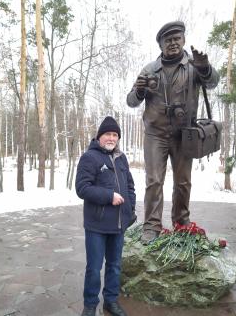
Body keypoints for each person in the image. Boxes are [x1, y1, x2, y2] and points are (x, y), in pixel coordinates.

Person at [126, 21, 219, 244]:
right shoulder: (150, 69)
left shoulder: (194, 66)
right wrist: (139, 91)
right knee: (154, 180)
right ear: (160, 45)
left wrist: (205, 68)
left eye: (177, 38)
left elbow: (213, 82)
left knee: (183, 182)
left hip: (183, 134)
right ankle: (151, 226)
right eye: (167, 40)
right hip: (155, 134)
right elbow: (130, 101)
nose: (173, 43)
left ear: (184, 40)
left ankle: (181, 222)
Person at [76, 116, 136, 316]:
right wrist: (108, 196)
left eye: (115, 135)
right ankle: (90, 305)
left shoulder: (122, 158)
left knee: (115, 266)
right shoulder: (89, 158)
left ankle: (111, 301)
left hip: (118, 225)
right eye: (108, 134)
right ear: (99, 136)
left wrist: (130, 211)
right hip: (97, 225)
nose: (111, 138)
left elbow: (130, 187)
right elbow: (82, 188)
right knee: (94, 268)